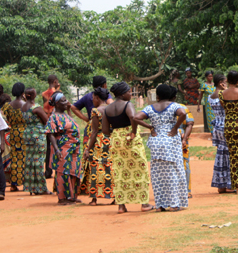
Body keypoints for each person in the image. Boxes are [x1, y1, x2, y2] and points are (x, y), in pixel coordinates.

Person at [134, 85, 188, 212]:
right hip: (171, 140)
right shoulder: (174, 106)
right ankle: (174, 204)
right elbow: (183, 114)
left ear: (157, 96)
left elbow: (136, 117)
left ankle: (160, 205)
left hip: (156, 141)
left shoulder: (150, 108)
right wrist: (175, 128)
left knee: (158, 173)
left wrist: (150, 127)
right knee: (174, 171)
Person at [101, 82, 153, 213]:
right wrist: (133, 132)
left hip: (116, 141)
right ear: (122, 94)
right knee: (140, 169)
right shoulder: (127, 104)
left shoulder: (107, 109)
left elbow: (105, 130)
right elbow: (133, 117)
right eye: (129, 92)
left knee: (119, 172)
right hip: (130, 139)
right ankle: (144, 203)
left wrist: (117, 133)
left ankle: (121, 205)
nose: (130, 94)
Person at [45, 92, 81, 205]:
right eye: (63, 101)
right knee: (63, 172)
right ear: (56, 103)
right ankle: (63, 198)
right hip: (63, 148)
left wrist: (69, 109)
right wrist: (56, 149)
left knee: (73, 171)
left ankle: (72, 196)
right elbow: (50, 134)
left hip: (74, 147)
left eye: (66, 100)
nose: (66, 102)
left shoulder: (65, 115)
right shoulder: (53, 117)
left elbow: (72, 123)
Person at [80, 87, 114, 205]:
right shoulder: (112, 109)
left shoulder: (96, 111)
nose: (92, 100)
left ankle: (94, 198)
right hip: (111, 140)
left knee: (95, 167)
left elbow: (94, 131)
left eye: (93, 98)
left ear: (98, 98)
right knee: (110, 167)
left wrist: (88, 149)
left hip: (99, 141)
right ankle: (113, 196)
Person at [21, 88, 50, 195]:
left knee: (29, 160)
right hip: (38, 134)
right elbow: (46, 120)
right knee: (39, 161)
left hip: (27, 134)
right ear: (33, 95)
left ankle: (31, 187)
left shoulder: (23, 107)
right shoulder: (36, 107)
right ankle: (42, 188)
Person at [208, 74, 233, 193]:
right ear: (220, 83)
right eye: (225, 82)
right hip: (226, 125)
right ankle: (229, 184)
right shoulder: (223, 94)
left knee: (220, 154)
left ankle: (220, 184)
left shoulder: (210, 96)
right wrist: (226, 91)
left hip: (216, 127)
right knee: (228, 155)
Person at [0, 82, 26, 192]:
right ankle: (26, 183)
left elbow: (2, 117)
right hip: (24, 133)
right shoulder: (26, 105)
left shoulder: (7, 106)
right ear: (23, 92)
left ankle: (13, 184)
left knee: (14, 158)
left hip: (13, 133)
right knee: (25, 158)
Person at [42, 74, 60, 178]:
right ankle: (58, 168)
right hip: (55, 120)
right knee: (57, 145)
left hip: (46, 120)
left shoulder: (44, 94)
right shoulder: (57, 93)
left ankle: (48, 171)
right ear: (54, 82)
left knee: (48, 147)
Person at [178, 104, 194, 198]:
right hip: (181, 137)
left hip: (163, 140)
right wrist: (184, 139)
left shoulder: (157, 108)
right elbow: (190, 123)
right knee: (184, 163)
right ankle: (186, 191)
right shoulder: (182, 107)